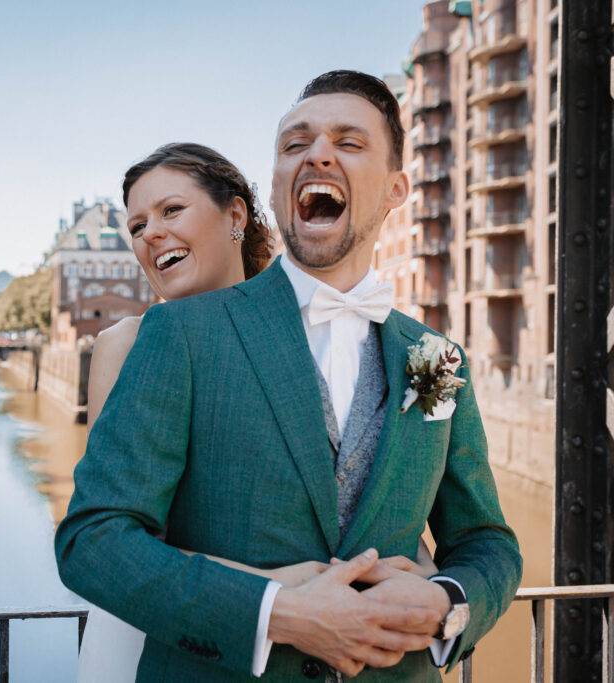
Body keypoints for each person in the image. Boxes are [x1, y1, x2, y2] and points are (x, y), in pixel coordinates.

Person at [56, 71, 521, 681]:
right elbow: (93, 540)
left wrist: (448, 605)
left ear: (395, 188)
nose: (318, 153)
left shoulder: (438, 356)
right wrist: (276, 612)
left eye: (348, 143)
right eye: (294, 144)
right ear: (275, 190)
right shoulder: (181, 334)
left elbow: (488, 542)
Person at [75, 143, 438, 682]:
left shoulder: (372, 343)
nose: (149, 233)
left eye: (171, 211)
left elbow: (387, 503)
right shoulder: (132, 342)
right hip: (173, 642)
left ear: (236, 217)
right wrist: (278, 596)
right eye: (136, 225)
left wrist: (431, 589)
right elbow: (115, 532)